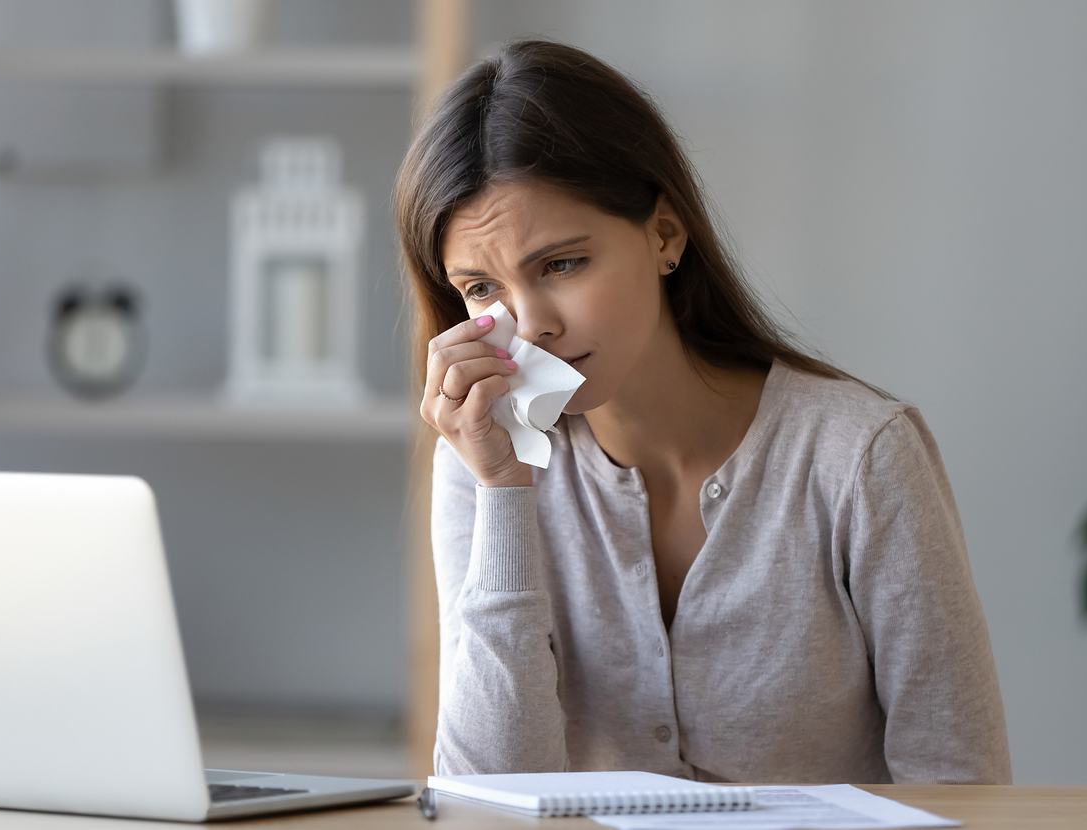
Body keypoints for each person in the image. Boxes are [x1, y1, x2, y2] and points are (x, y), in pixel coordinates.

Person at [395, 39, 1011, 784]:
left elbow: (961, 786)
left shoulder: (859, 456)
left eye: (562, 264)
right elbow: (486, 798)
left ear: (665, 234)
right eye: (482, 289)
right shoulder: (485, 464)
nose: (531, 325)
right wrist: (502, 493)